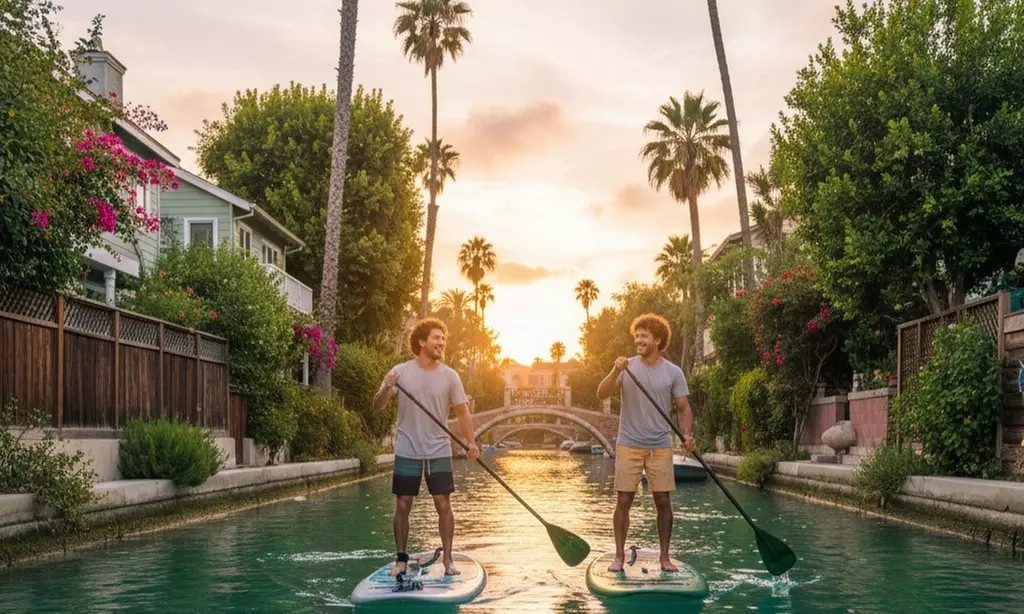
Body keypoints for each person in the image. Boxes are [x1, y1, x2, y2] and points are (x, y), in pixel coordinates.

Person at [373, 317, 480, 577]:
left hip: (438, 450)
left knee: (443, 503)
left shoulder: (450, 376)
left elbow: (463, 412)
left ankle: (448, 560)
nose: (441, 342)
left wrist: (471, 442)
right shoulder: (400, 372)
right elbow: (378, 405)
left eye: (443, 339)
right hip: (408, 448)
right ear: (422, 341)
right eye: (436, 338)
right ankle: (401, 560)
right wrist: (387, 387)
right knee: (403, 504)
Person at [596, 313, 695, 573]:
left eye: (644, 336)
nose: (638, 340)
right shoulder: (626, 366)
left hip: (660, 445)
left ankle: (664, 557)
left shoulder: (673, 372)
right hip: (628, 442)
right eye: (636, 335)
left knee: (663, 501)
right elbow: (601, 393)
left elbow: (684, 407)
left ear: (657, 339)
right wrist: (614, 369)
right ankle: (618, 556)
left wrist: (687, 434)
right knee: (624, 501)